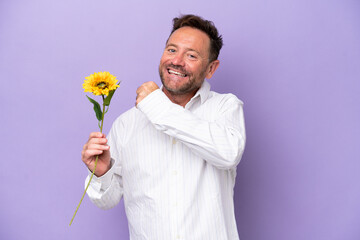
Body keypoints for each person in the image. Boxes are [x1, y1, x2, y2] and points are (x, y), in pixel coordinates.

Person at [81, 14, 246, 240]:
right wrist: (101, 173)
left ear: (211, 68)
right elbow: (106, 201)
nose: (177, 61)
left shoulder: (225, 108)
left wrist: (158, 107)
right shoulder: (126, 124)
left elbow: (228, 153)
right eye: (171, 50)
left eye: (191, 55)